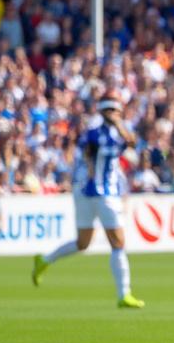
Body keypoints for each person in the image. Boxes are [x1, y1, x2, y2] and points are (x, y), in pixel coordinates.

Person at [31, 95, 143, 308]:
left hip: (87, 193)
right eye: (112, 111)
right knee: (118, 243)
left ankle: (45, 261)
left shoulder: (117, 133)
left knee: (83, 243)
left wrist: (119, 124)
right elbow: (88, 153)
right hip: (100, 193)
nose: (115, 115)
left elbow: (131, 143)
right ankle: (124, 294)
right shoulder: (94, 133)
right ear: (104, 112)